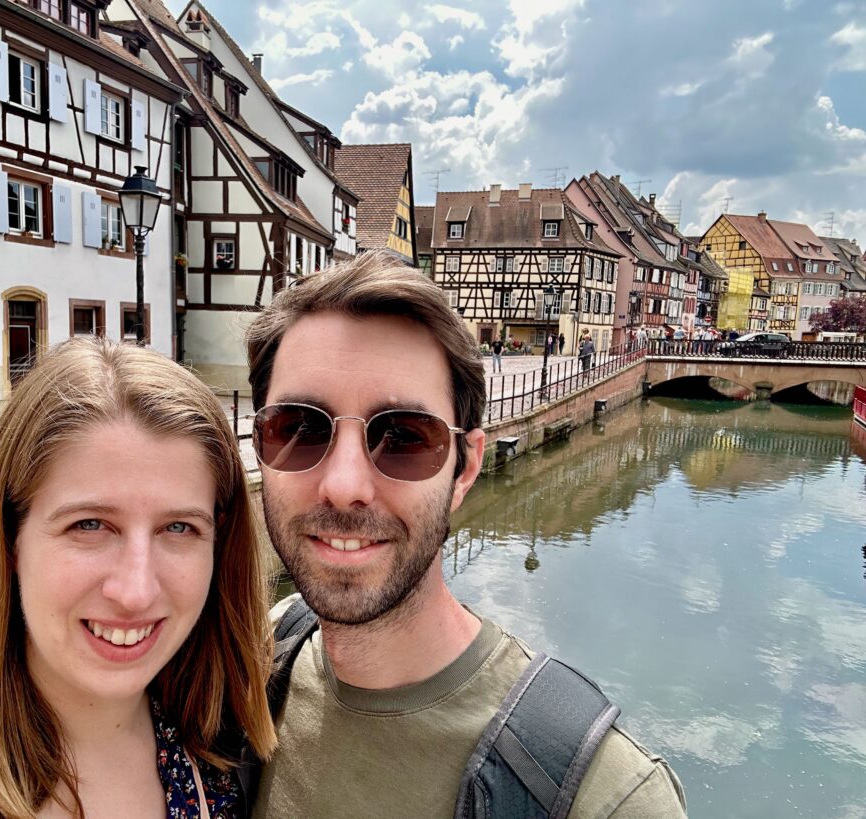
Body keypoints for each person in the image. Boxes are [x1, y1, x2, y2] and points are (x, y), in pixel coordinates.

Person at [243, 253, 686, 818]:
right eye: (299, 428)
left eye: (403, 436)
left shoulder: (605, 797)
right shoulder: (264, 654)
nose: (344, 485)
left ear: (466, 469)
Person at [0, 338, 276, 819]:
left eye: (179, 527)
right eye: (89, 525)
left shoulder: (220, 748)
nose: (136, 592)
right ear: (9, 539)